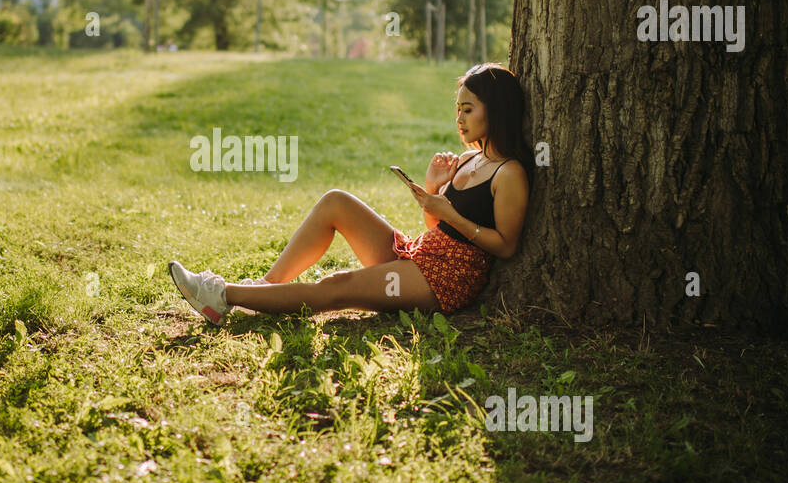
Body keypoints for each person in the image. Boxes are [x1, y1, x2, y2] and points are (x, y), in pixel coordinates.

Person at [169, 62, 534, 324]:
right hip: (419, 254)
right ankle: (265, 289)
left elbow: (506, 245)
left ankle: (219, 294)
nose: (459, 118)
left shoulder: (510, 173)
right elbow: (437, 226)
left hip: (444, 280)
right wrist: (434, 188)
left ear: (496, 111)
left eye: (468, 109)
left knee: (338, 286)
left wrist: (450, 211)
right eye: (457, 109)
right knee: (336, 201)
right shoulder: (469, 159)